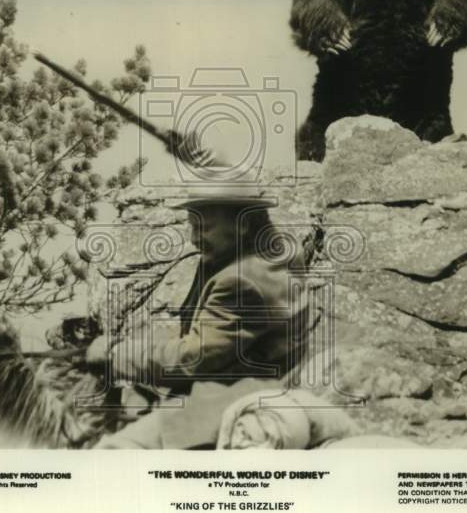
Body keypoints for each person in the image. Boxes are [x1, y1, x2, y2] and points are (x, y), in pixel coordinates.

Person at [85, 182, 311, 449]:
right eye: (192, 226)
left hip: (230, 398)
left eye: (204, 227)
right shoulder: (250, 259)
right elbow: (195, 330)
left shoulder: (242, 281)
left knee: (114, 451)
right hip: (236, 383)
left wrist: (114, 355)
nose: (194, 237)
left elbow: (194, 357)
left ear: (242, 224)